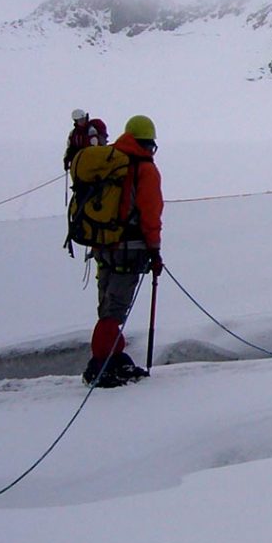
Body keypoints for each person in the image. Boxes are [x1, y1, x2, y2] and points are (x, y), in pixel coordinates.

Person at [79, 114, 164, 387]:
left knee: (107, 302)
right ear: (147, 142)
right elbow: (151, 212)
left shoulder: (109, 161)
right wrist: (154, 248)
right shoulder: (144, 168)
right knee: (115, 309)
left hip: (103, 243)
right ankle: (103, 365)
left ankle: (110, 357)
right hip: (130, 247)